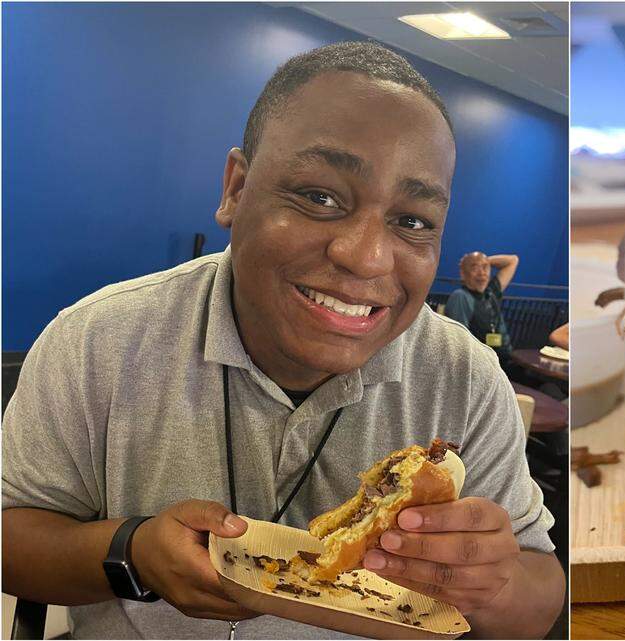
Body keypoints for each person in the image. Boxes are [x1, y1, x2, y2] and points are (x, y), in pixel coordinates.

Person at [2, 41, 564, 639]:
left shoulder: (467, 378)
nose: (366, 257)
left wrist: (491, 581)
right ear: (236, 190)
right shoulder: (98, 340)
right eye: (320, 198)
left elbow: (539, 598)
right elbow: (11, 538)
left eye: (413, 222)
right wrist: (132, 553)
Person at [444, 252, 519, 361]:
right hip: (482, 363)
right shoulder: (461, 296)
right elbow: (458, 342)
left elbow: (513, 260)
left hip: (504, 358)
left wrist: (484, 260)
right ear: (463, 274)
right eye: (474, 268)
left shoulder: (491, 292)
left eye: (485, 268)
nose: (482, 273)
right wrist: (475, 261)